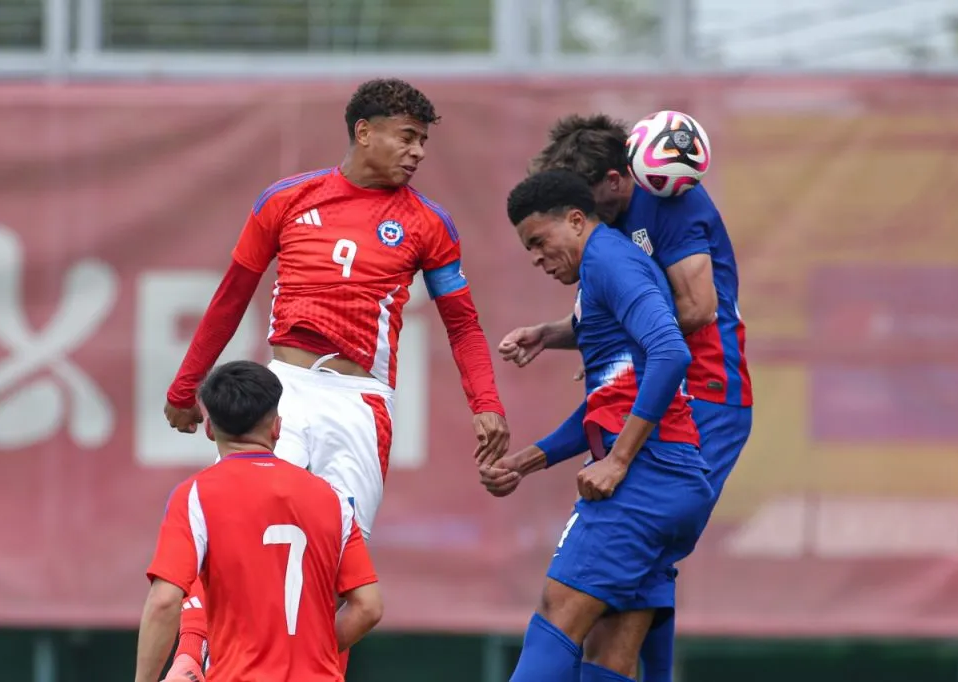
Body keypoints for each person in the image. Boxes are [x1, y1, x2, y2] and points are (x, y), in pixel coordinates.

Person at [161, 78, 509, 679]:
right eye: (408, 137)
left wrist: (487, 402)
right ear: (363, 132)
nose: (418, 152)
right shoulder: (287, 199)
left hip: (360, 404)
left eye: (423, 142)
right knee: (238, 531)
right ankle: (194, 658)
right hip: (286, 393)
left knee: (326, 565)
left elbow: (463, 324)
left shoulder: (428, 223)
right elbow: (231, 296)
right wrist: (184, 388)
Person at [497, 114, 753, 682]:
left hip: (707, 398)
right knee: (623, 613)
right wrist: (566, 336)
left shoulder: (665, 202)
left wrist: (617, 449)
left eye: (581, 201)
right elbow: (630, 322)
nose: (580, 209)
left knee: (568, 606)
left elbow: (693, 314)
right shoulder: (608, 248)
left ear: (612, 182)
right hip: (669, 405)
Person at [136, 361, 382, 682]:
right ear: (277, 427)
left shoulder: (195, 495)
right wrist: (312, 655)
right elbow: (368, 607)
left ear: (209, 429)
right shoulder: (332, 500)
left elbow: (164, 601)